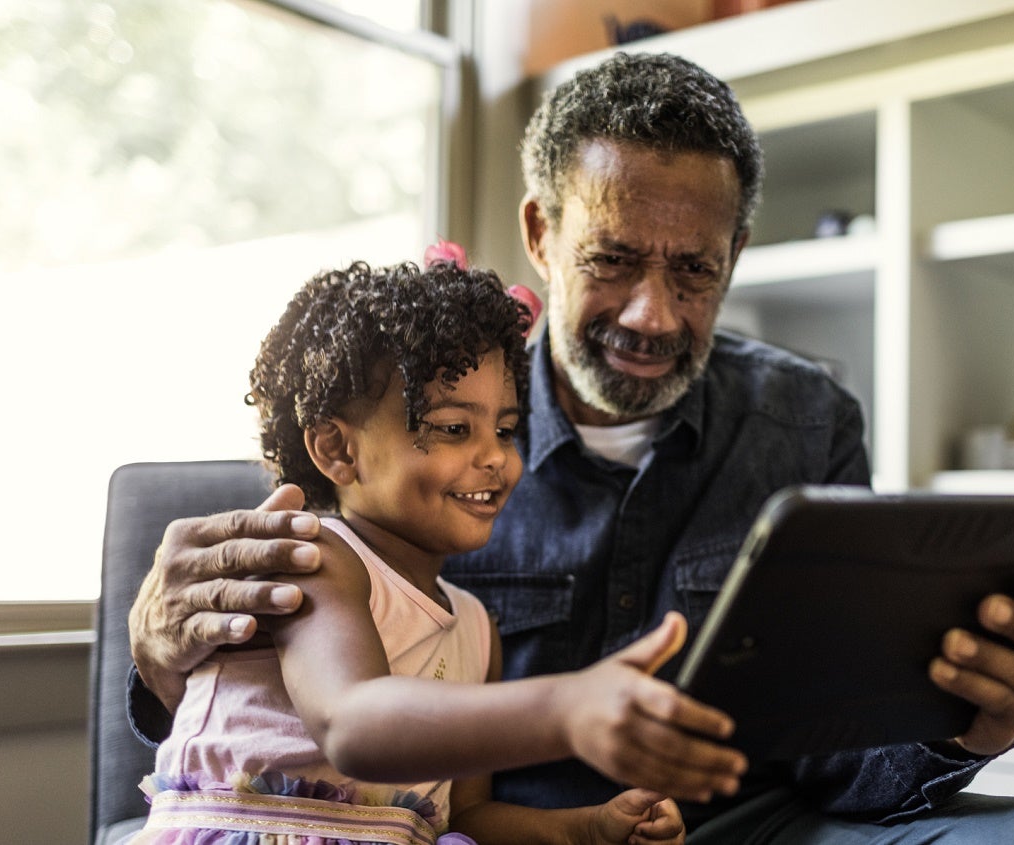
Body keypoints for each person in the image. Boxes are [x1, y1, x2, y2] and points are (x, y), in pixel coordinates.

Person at [129, 53, 1014, 843]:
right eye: (612, 259)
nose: (653, 314)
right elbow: (279, 699)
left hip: (751, 820)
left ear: (735, 256)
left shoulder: (805, 420)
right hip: (512, 828)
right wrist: (161, 658)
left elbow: (844, 764)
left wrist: (977, 719)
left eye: (694, 271)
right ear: (541, 235)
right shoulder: (412, 414)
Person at [131, 256, 737, 845]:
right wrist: (562, 710)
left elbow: (460, 817)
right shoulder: (313, 559)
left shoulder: (475, 628)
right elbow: (353, 722)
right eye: (453, 428)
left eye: (504, 429)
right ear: (338, 451)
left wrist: (585, 828)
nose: (496, 457)